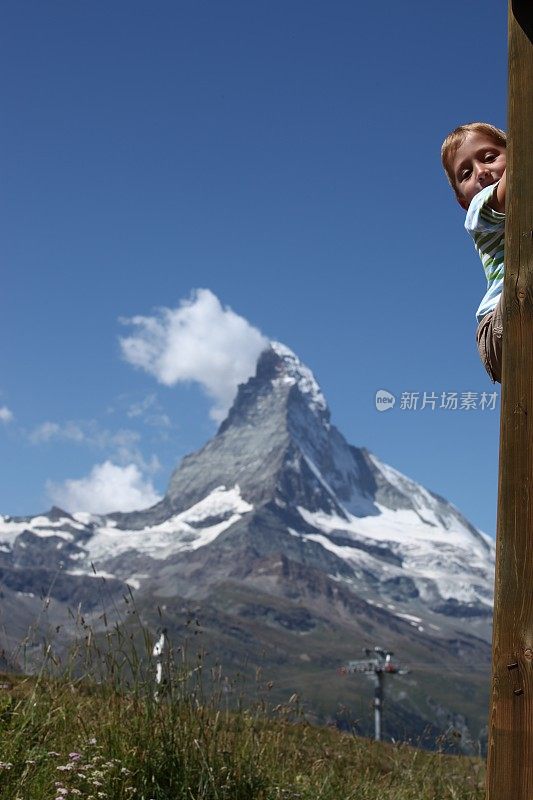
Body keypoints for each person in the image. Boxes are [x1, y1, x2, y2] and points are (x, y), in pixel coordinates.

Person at [441, 122, 507, 383]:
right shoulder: (478, 209)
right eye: (465, 174)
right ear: (462, 201)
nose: (480, 172)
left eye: (490, 158)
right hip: (499, 325)